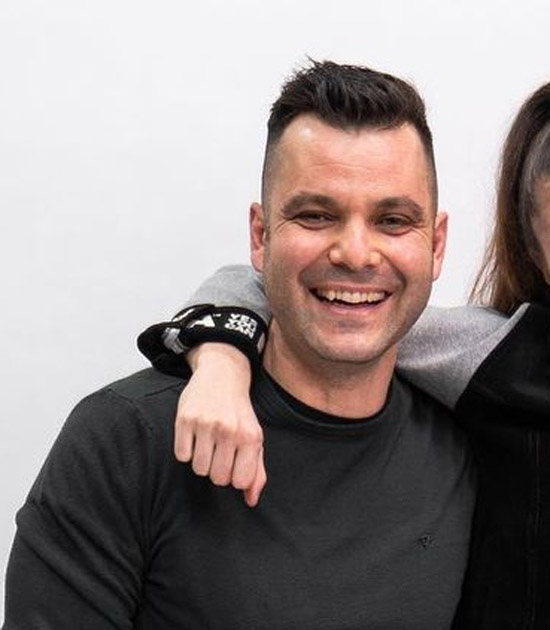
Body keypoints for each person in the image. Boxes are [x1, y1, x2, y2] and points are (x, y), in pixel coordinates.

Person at [3, 61, 477, 629]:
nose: (355, 253)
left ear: (436, 244)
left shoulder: (472, 449)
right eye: (316, 215)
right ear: (260, 235)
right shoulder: (126, 442)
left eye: (393, 221)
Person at [138, 81, 550, 629]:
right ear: (532, 241)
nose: (354, 251)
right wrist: (222, 361)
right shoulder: (496, 357)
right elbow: (298, 292)